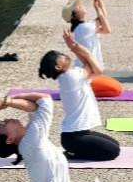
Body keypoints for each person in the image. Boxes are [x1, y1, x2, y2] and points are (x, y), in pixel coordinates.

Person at [38, 30, 121, 161]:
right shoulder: (70, 77)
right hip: (73, 137)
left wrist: (75, 48)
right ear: (58, 67)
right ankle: (73, 154)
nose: (64, 55)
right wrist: (75, 48)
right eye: (60, 56)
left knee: (115, 145)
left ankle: (74, 150)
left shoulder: (71, 76)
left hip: (79, 133)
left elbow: (92, 68)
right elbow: (94, 67)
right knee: (113, 152)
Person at [61, 0, 122, 98]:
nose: (82, 7)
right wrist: (98, 0)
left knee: (116, 88)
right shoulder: (84, 28)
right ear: (74, 16)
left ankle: (82, 89)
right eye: (78, 8)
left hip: (92, 71)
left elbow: (106, 28)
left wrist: (98, 1)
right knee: (116, 89)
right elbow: (103, 18)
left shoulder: (84, 28)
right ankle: (82, 90)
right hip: (87, 73)